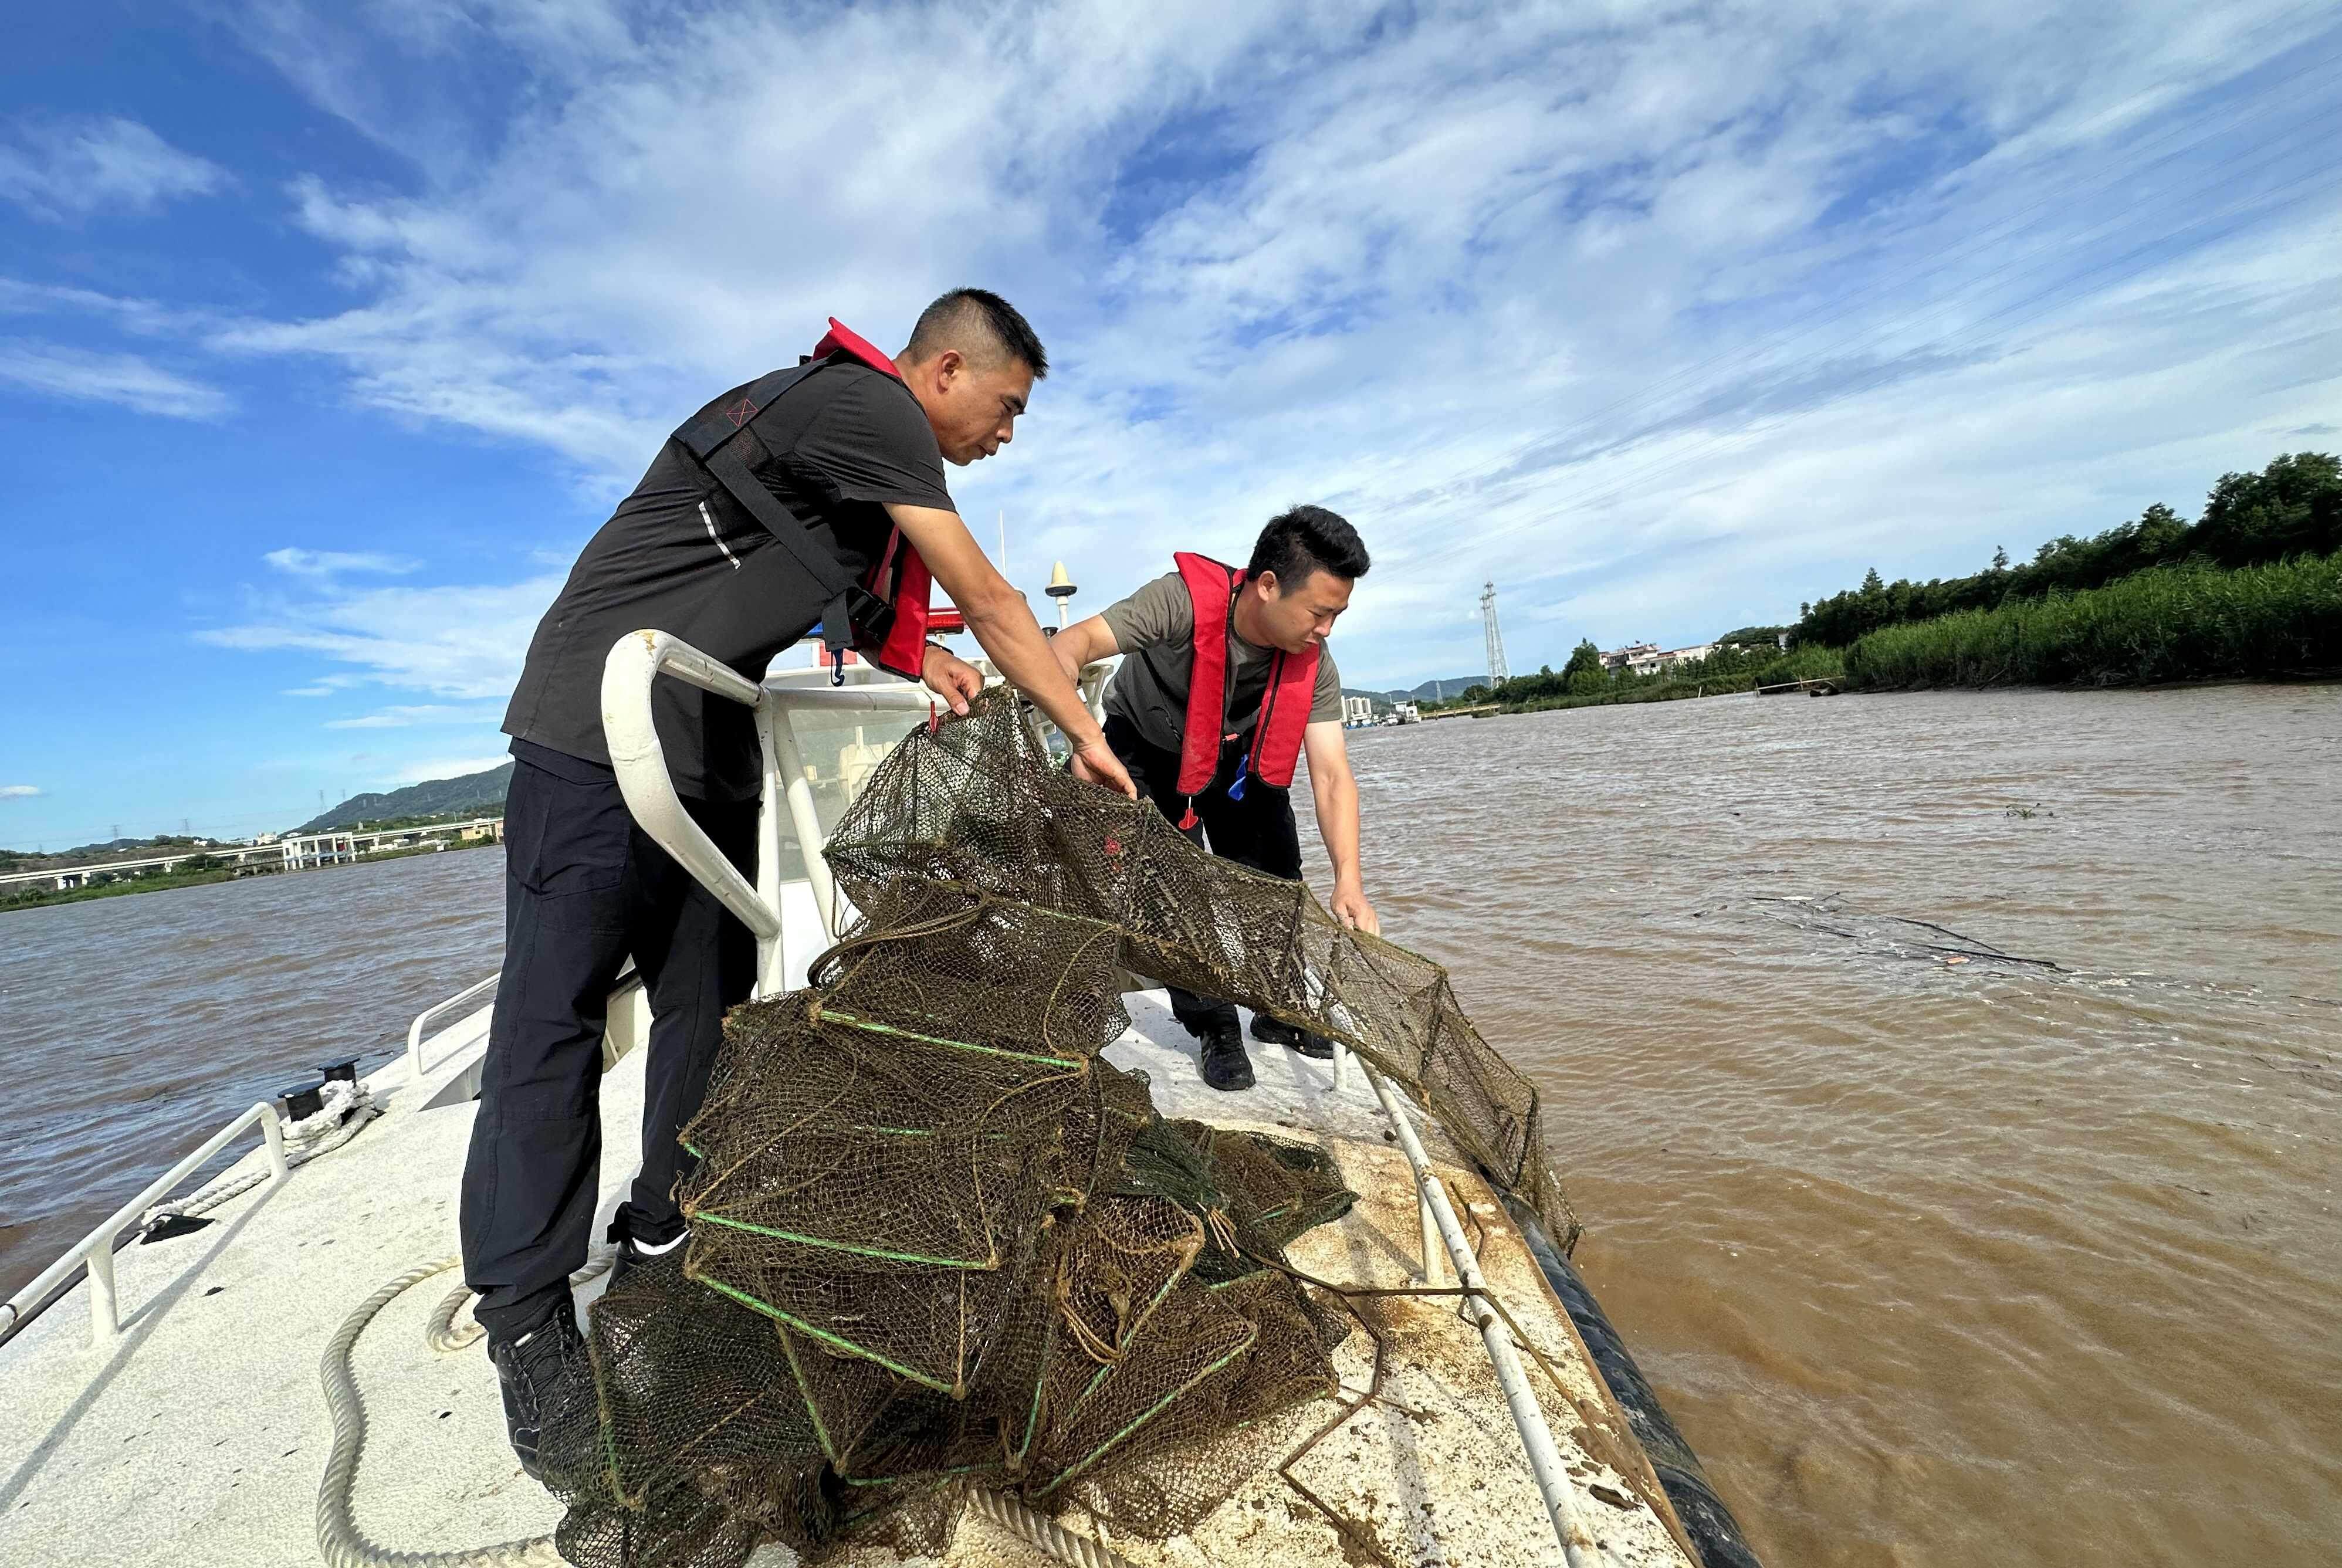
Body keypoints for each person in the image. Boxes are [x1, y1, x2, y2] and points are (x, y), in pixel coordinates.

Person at [466, 288, 1136, 1477]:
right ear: (942, 370)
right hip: (594, 729)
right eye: (1006, 406)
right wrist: (1083, 731)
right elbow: (990, 594)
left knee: (709, 1003)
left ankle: (663, 1235)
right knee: (549, 1020)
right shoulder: (865, 406)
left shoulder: (839, 445)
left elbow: (837, 587)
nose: (1007, 434)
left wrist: (916, 655)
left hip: (703, 745)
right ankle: (523, 1322)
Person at [1051, 505, 1378, 1092]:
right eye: (1319, 611)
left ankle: (1278, 1009)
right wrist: (1081, 738)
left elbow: (1330, 773)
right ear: (1268, 585)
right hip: (1144, 751)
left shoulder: (1314, 662)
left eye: (1337, 615)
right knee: (1172, 892)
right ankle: (1213, 1025)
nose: (1326, 629)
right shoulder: (1177, 602)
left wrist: (1348, 878)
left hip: (1232, 759)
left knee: (1274, 877)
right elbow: (1070, 645)